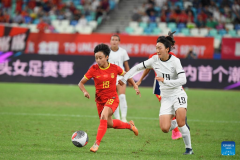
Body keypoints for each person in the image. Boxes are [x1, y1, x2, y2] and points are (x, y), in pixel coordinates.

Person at [119, 34, 193, 155]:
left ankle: (189, 149)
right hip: (166, 98)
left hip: (178, 94)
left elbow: (183, 80)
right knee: (164, 128)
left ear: (167, 49)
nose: (157, 50)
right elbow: (138, 67)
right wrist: (125, 78)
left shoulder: (175, 61)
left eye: (159, 48)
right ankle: (178, 122)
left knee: (181, 123)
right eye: (156, 48)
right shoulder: (154, 60)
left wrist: (165, 81)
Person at [78, 43, 140, 153]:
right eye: (96, 58)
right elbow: (81, 83)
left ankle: (96, 144)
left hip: (112, 98)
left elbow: (126, 75)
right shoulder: (93, 69)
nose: (98, 60)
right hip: (100, 101)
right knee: (109, 124)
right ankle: (130, 126)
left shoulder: (114, 68)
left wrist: (135, 86)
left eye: (100, 58)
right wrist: (85, 92)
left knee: (104, 116)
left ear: (107, 57)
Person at [136, 32, 183, 140]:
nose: (158, 48)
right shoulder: (152, 57)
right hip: (159, 85)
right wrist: (140, 80)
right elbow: (147, 68)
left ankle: (177, 127)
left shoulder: (173, 57)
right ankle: (176, 130)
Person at [109, 34, 130, 122]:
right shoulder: (106, 52)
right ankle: (117, 118)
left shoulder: (123, 51)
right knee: (113, 98)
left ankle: (124, 117)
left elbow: (126, 65)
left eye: (116, 40)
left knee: (122, 96)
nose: (114, 41)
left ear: (119, 42)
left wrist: (128, 77)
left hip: (121, 76)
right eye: (113, 39)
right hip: (110, 77)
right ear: (110, 41)